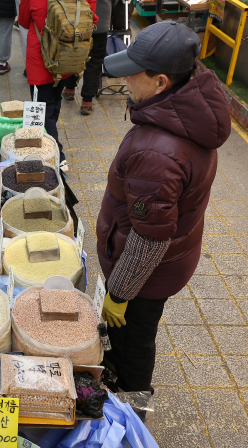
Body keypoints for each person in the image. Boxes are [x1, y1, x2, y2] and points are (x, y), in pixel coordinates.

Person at [97, 21, 231, 392]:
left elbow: (150, 240)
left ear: (161, 83)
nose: (126, 83)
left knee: (132, 344)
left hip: (145, 274)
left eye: (133, 75)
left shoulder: (157, 151)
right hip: (172, 257)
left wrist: (119, 294)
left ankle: (131, 407)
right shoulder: (190, 113)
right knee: (137, 336)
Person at [18, 0, 97, 165]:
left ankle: (57, 156)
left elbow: (23, 21)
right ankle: (49, 144)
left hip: (41, 58)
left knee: (42, 110)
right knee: (54, 102)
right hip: (66, 56)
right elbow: (91, 18)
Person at [62, 0, 118, 115]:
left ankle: (69, 89)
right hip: (100, 20)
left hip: (76, 20)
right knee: (95, 61)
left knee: (75, 55)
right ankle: (87, 101)